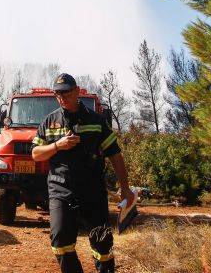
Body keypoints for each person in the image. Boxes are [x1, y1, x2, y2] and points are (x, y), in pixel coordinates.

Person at [31, 73, 136, 273]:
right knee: (60, 241)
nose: (62, 97)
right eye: (58, 93)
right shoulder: (49, 121)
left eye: (66, 92)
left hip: (92, 191)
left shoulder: (96, 120)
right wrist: (57, 146)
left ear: (77, 91)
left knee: (102, 244)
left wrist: (125, 188)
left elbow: (115, 155)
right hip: (60, 190)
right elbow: (36, 154)